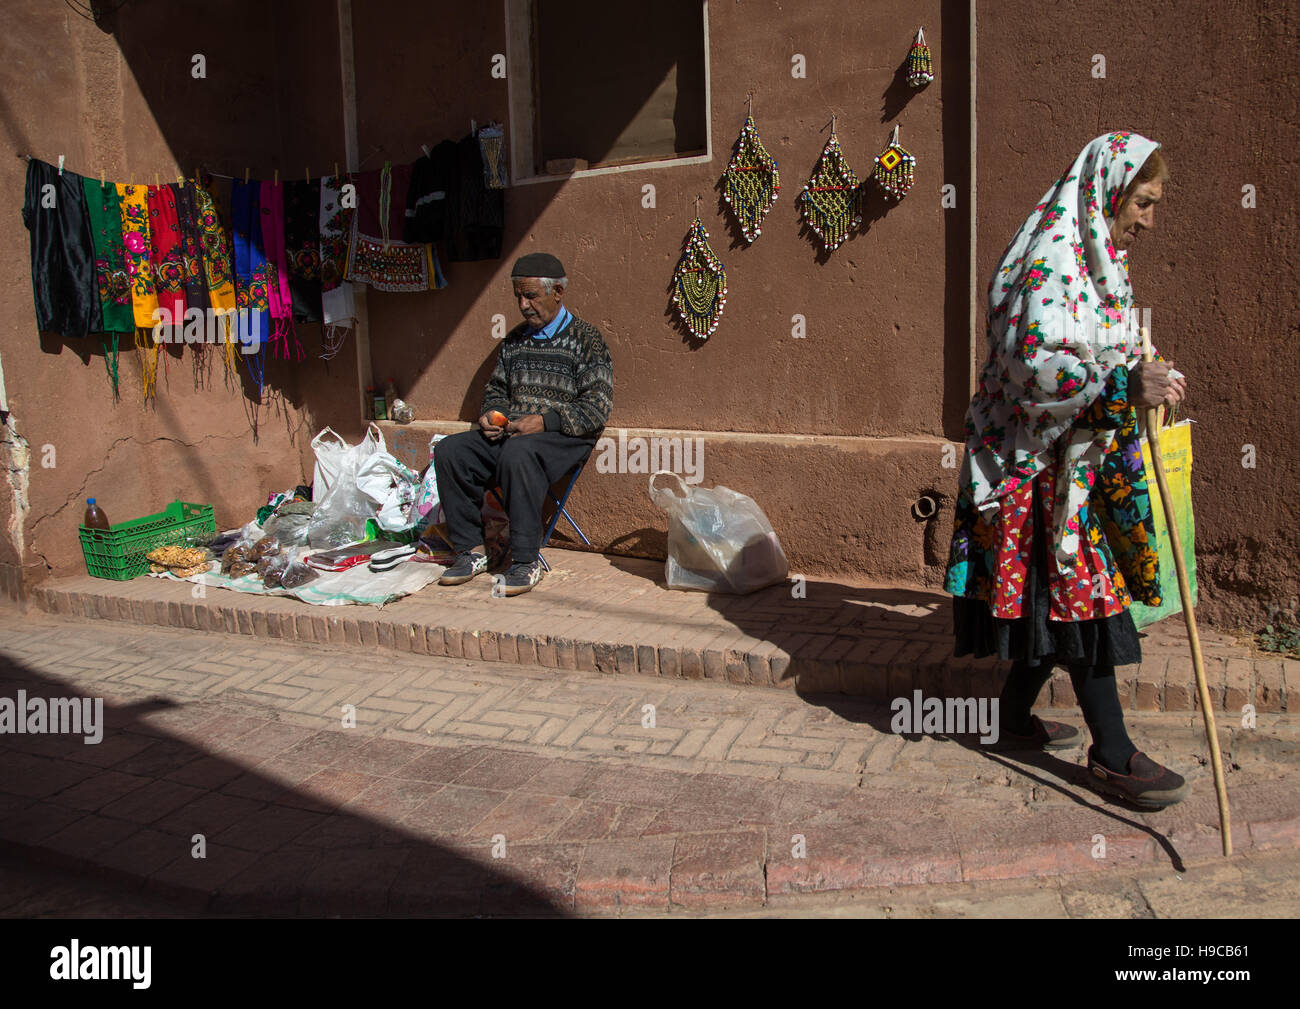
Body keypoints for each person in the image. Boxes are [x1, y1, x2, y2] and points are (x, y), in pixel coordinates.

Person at [945, 132, 1190, 809]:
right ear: (1108, 191)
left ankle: (1008, 718)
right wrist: (1118, 390)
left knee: (1049, 599)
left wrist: (1151, 374)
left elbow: (1112, 342)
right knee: (1084, 597)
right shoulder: (1052, 259)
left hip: (1068, 462)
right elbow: (1034, 367)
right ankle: (1113, 755)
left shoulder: (1100, 258)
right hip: (1031, 465)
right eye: (1142, 203)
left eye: (1154, 205)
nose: (1147, 219)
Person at [433, 252, 613, 595]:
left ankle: (526, 562)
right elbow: (497, 390)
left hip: (564, 436)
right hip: (515, 435)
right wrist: (492, 414)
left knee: (518, 453)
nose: (523, 304)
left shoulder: (587, 340)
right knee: (450, 452)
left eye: (531, 295)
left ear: (557, 292)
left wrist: (544, 422)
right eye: (518, 296)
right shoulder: (514, 340)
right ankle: (470, 551)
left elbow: (596, 408)